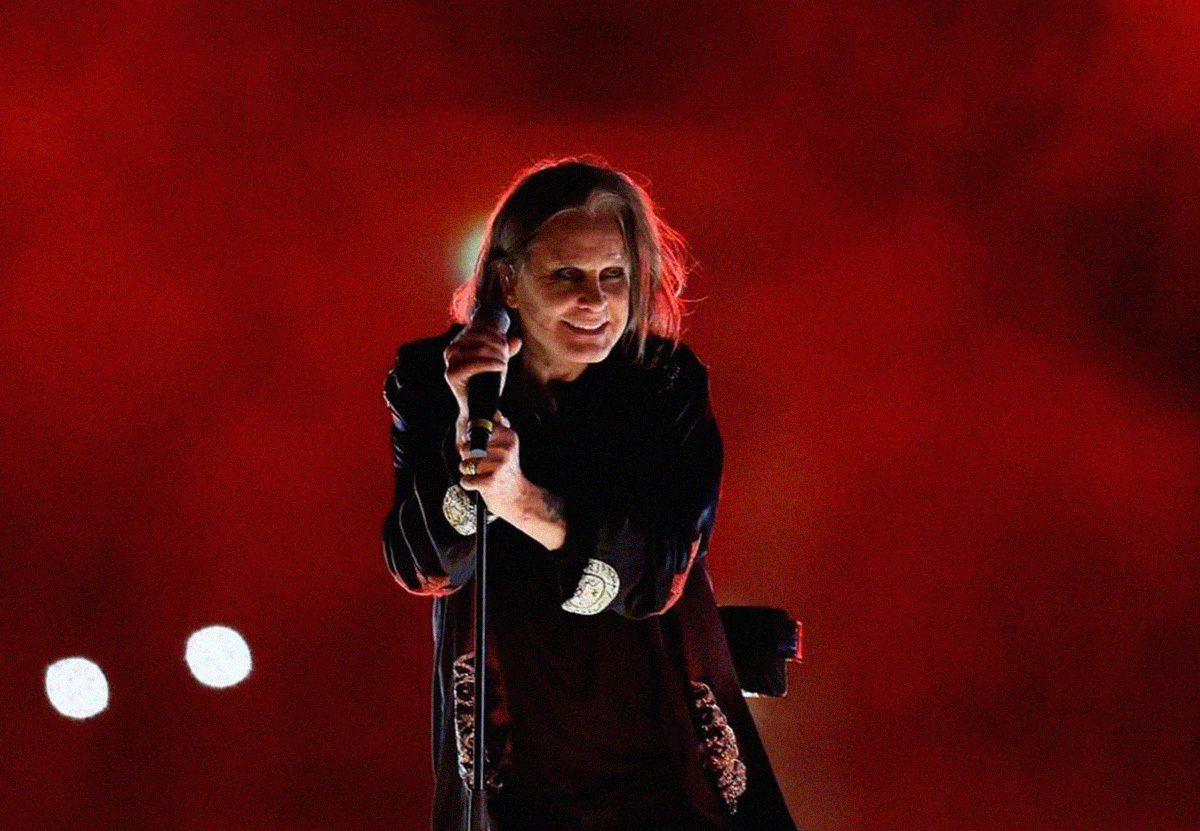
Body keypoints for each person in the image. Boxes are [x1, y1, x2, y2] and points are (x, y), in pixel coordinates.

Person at [383, 159, 797, 831]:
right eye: (566, 276)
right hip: (514, 760)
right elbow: (421, 564)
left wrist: (525, 503)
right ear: (510, 280)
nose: (595, 301)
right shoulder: (435, 379)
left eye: (614, 276)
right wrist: (466, 429)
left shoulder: (665, 386)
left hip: (661, 756)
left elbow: (659, 571)